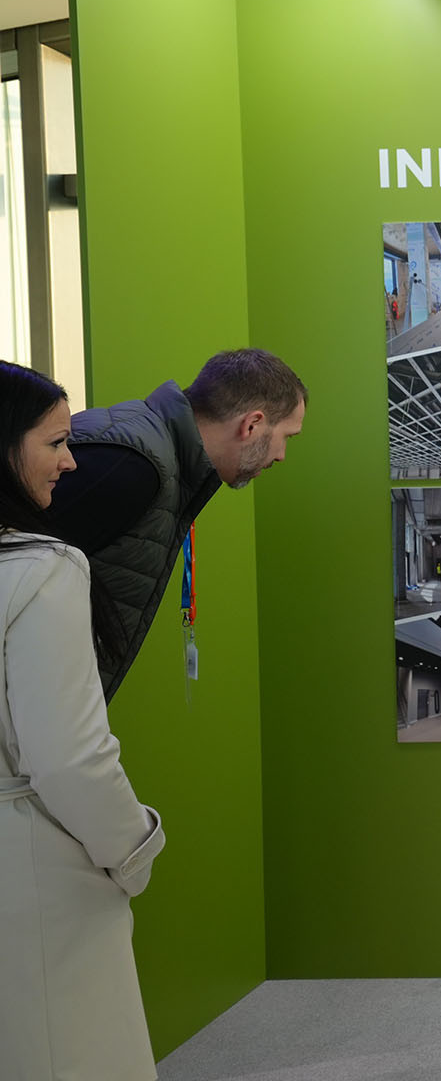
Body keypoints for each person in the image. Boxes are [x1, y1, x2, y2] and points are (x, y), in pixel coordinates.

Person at [0, 361, 166, 1079]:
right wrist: (134, 850)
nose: (72, 461)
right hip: (35, 874)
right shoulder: (43, 570)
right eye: (55, 442)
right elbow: (70, 756)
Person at [46, 349, 306, 701]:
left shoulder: (156, 457)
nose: (281, 455)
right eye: (286, 436)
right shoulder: (133, 467)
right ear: (252, 425)